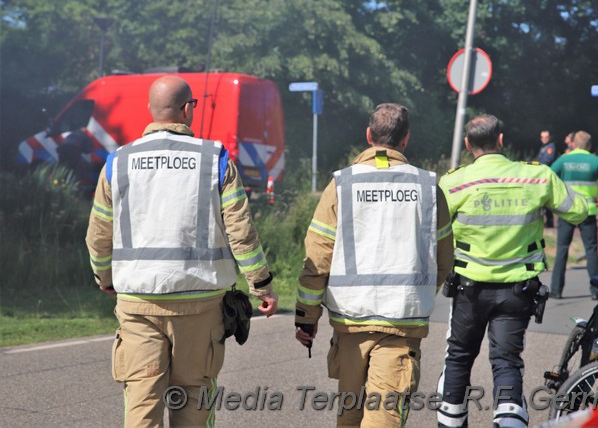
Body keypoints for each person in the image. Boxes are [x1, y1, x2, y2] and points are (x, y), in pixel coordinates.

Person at [85, 75, 278, 427]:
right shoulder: (215, 159)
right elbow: (241, 231)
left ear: (151, 110)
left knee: (142, 404)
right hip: (200, 308)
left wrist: (105, 277)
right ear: (187, 109)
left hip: (137, 305)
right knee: (194, 401)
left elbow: (98, 234)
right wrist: (261, 284)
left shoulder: (118, 163)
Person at [294, 103, 454, 427]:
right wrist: (416, 293)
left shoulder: (341, 184)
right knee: (384, 418)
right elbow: (444, 261)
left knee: (349, 418)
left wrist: (306, 318)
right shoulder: (428, 188)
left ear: (368, 136)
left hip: (350, 323)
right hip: (401, 323)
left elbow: (317, 257)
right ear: (406, 139)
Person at [437, 115, 587, 428]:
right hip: (517, 291)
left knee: (459, 359)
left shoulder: (453, 182)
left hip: (469, 292)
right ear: (501, 140)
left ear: (468, 145)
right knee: (506, 362)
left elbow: (430, 232)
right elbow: (580, 210)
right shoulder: (537, 176)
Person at [550, 131, 598, 299]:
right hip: (588, 211)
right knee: (591, 250)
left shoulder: (563, 160)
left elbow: (548, 178)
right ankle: (597, 292)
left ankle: (556, 290)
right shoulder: (595, 161)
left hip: (566, 210)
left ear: (573, 143)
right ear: (589, 145)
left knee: (562, 250)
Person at [537, 130, 557, 227]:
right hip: (543, 175)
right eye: (542, 137)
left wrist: (536, 164)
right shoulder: (543, 147)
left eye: (546, 137)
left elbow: (547, 160)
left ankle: (549, 221)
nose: (544, 139)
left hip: (547, 176)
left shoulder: (550, 147)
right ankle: (548, 220)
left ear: (549, 137)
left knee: (547, 199)